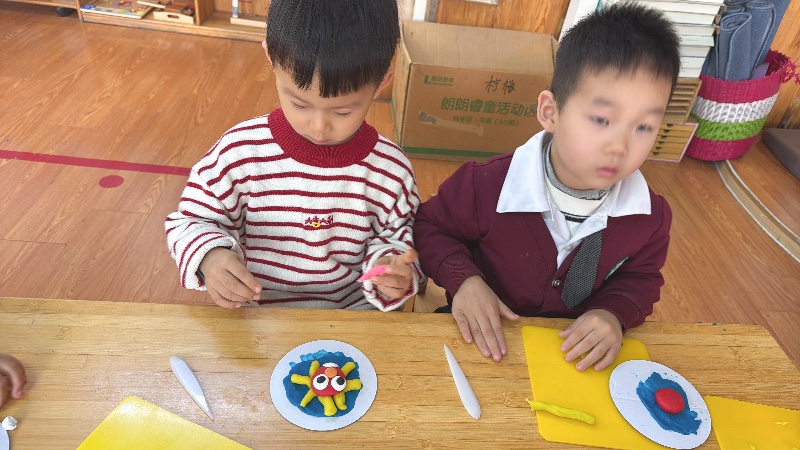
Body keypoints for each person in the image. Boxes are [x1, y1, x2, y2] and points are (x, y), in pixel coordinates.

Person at [414, 2, 680, 371]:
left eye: (644, 127)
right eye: (602, 119)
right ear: (550, 112)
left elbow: (641, 278)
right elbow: (430, 226)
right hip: (483, 334)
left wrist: (613, 313)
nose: (620, 146)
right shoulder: (485, 184)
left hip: (570, 356)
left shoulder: (650, 216)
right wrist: (465, 282)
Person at [166, 0, 422, 311]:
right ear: (271, 59)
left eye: (343, 111)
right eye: (299, 104)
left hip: (352, 318)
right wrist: (211, 256)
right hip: (259, 314)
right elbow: (190, 221)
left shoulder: (391, 171)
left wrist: (391, 270)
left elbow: (401, 240)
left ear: (381, 83)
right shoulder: (239, 152)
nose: (319, 126)